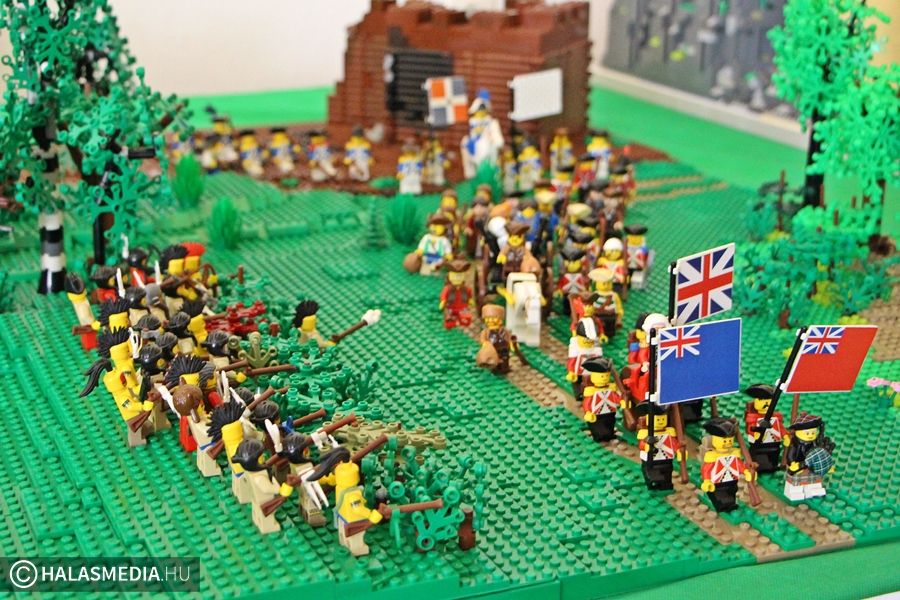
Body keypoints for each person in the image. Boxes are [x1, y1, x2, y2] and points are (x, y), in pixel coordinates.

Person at [701, 418, 753, 512]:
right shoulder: (712, 456)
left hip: (732, 480)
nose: (728, 443)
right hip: (718, 482)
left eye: (730, 440)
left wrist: (745, 471)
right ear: (715, 440)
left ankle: (731, 504)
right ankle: (721, 506)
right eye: (725, 441)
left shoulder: (734, 453)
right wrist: (707, 480)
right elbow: (706, 469)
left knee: (731, 491)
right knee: (720, 494)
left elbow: (739, 465)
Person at [784, 413, 835, 501]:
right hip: (797, 466)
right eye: (807, 433)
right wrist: (792, 462)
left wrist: (825, 463)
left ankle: (813, 489)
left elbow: (819, 453)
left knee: (813, 478)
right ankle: (795, 492)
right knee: (796, 481)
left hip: (811, 466)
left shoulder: (815, 442)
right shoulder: (795, 444)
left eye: (813, 432)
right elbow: (790, 454)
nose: (810, 435)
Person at [744, 383, 790, 473]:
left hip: (774, 443)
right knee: (759, 456)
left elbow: (780, 427)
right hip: (759, 444)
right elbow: (750, 428)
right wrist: (754, 433)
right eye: (761, 400)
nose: (766, 403)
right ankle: (759, 468)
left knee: (773, 454)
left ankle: (772, 466)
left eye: (769, 400)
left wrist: (785, 435)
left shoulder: (776, 417)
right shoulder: (753, 417)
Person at [581, 356, 622, 442]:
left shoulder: (611, 388)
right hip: (597, 414)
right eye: (602, 376)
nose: (605, 378)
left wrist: (621, 401)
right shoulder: (591, 391)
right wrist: (588, 412)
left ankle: (610, 435)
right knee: (598, 426)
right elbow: (587, 403)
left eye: (606, 376)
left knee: (610, 423)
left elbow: (615, 397)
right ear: (593, 377)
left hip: (610, 412)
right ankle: (598, 437)